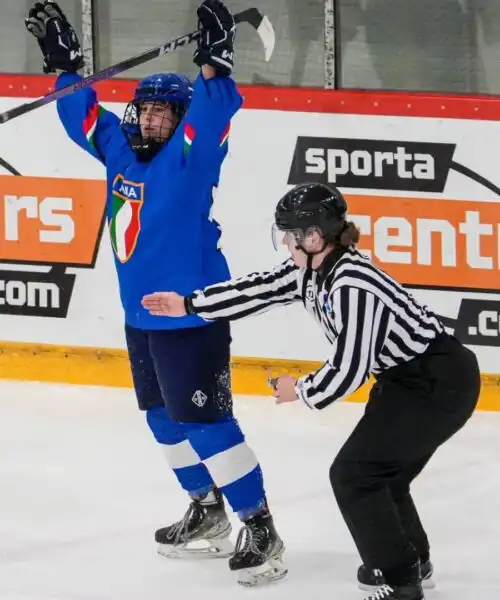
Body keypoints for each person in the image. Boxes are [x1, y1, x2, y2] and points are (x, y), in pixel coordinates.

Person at [25, 0, 287, 587]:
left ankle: (260, 523)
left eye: (163, 114)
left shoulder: (190, 159)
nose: (149, 122)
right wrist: (64, 65)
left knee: (207, 424)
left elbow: (218, 108)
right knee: (162, 421)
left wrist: (215, 59)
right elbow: (81, 116)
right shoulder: (119, 151)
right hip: (140, 319)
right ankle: (207, 509)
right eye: (143, 112)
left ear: (181, 119)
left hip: (191, 316)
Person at [142, 182, 481, 600]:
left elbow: (351, 367)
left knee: (356, 476)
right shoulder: (315, 268)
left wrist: (299, 389)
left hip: (438, 381)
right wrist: (190, 304)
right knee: (381, 475)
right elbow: (261, 288)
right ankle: (410, 560)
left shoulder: (353, 283)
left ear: (314, 236)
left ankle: (398, 580)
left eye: (289, 234)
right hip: (407, 380)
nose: (285, 242)